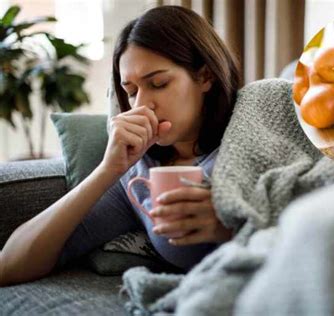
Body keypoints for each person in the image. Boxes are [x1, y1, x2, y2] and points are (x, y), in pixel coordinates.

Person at [0, 6, 241, 286]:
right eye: (132, 91)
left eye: (159, 83)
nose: (141, 105)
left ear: (205, 77)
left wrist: (232, 228)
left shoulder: (252, 132)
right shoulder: (137, 176)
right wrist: (107, 170)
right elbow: (9, 266)